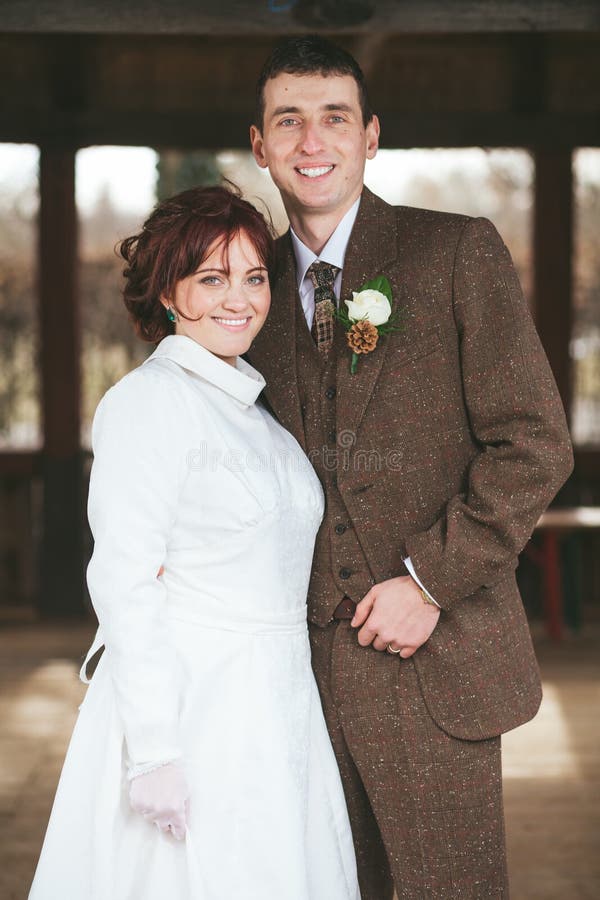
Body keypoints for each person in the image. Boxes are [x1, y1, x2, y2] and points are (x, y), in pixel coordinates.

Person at [247, 35, 574, 899]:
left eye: (334, 120)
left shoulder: (457, 252)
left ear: (370, 137)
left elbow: (534, 440)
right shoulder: (246, 293)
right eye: (290, 122)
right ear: (260, 145)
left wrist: (429, 580)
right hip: (295, 681)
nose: (312, 142)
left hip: (438, 666)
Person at [29, 186, 361, 900]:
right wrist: (154, 751)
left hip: (277, 704)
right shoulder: (147, 404)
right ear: (168, 292)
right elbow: (126, 582)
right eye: (211, 278)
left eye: (253, 276)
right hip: (194, 707)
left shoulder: (258, 412)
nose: (238, 299)